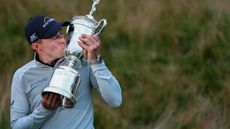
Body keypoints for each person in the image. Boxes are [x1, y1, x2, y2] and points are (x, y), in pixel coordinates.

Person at [10, 15, 122, 129]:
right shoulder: (22, 76)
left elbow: (115, 100)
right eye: (54, 38)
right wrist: (43, 111)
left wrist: (96, 61)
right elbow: (17, 126)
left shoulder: (84, 61)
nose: (63, 40)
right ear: (37, 46)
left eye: (61, 33)